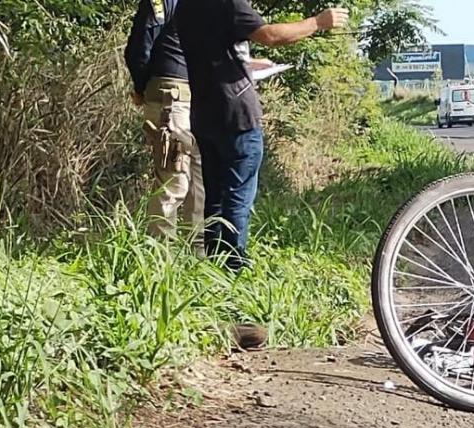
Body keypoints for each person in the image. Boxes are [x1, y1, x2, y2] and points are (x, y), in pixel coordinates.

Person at [176, 1, 350, 272]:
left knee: (215, 197)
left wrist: (247, 63)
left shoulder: (185, 7)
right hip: (237, 115)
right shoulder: (227, 4)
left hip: (204, 113)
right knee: (237, 197)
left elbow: (212, 53)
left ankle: (213, 267)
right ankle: (235, 269)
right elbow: (269, 35)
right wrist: (318, 22)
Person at [125, 0, 205, 256]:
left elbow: (140, 46)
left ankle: (190, 257)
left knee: (190, 181)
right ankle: (165, 259)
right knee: (180, 178)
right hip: (178, 97)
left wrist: (141, 88)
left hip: (189, 96)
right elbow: (140, 46)